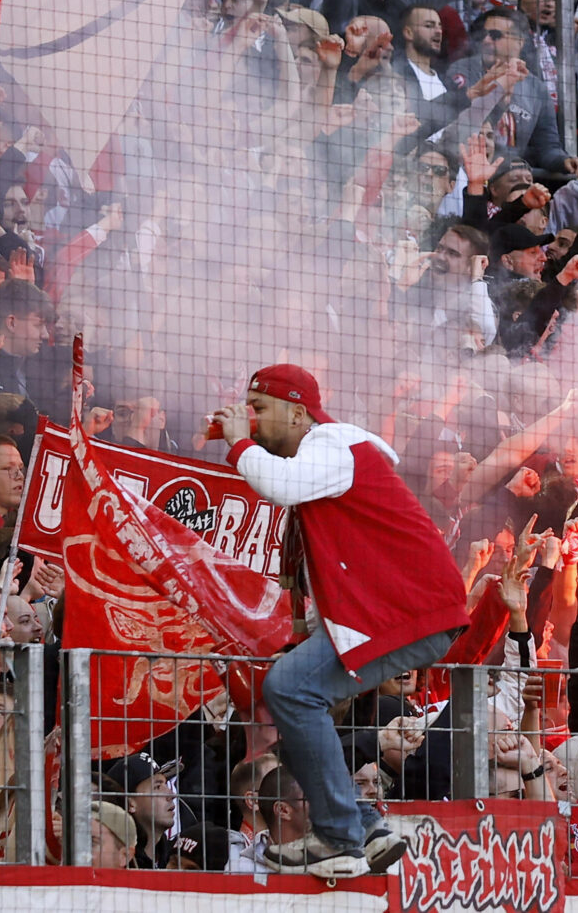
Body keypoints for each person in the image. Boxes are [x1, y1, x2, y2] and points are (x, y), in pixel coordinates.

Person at [213, 365, 469, 879]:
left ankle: (337, 838)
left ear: (297, 411)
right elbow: (325, 570)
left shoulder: (331, 444)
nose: (250, 419)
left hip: (409, 611)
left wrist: (240, 445)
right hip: (402, 613)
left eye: (258, 409)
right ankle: (365, 826)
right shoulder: (329, 454)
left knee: (289, 688)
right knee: (294, 695)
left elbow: (280, 486)